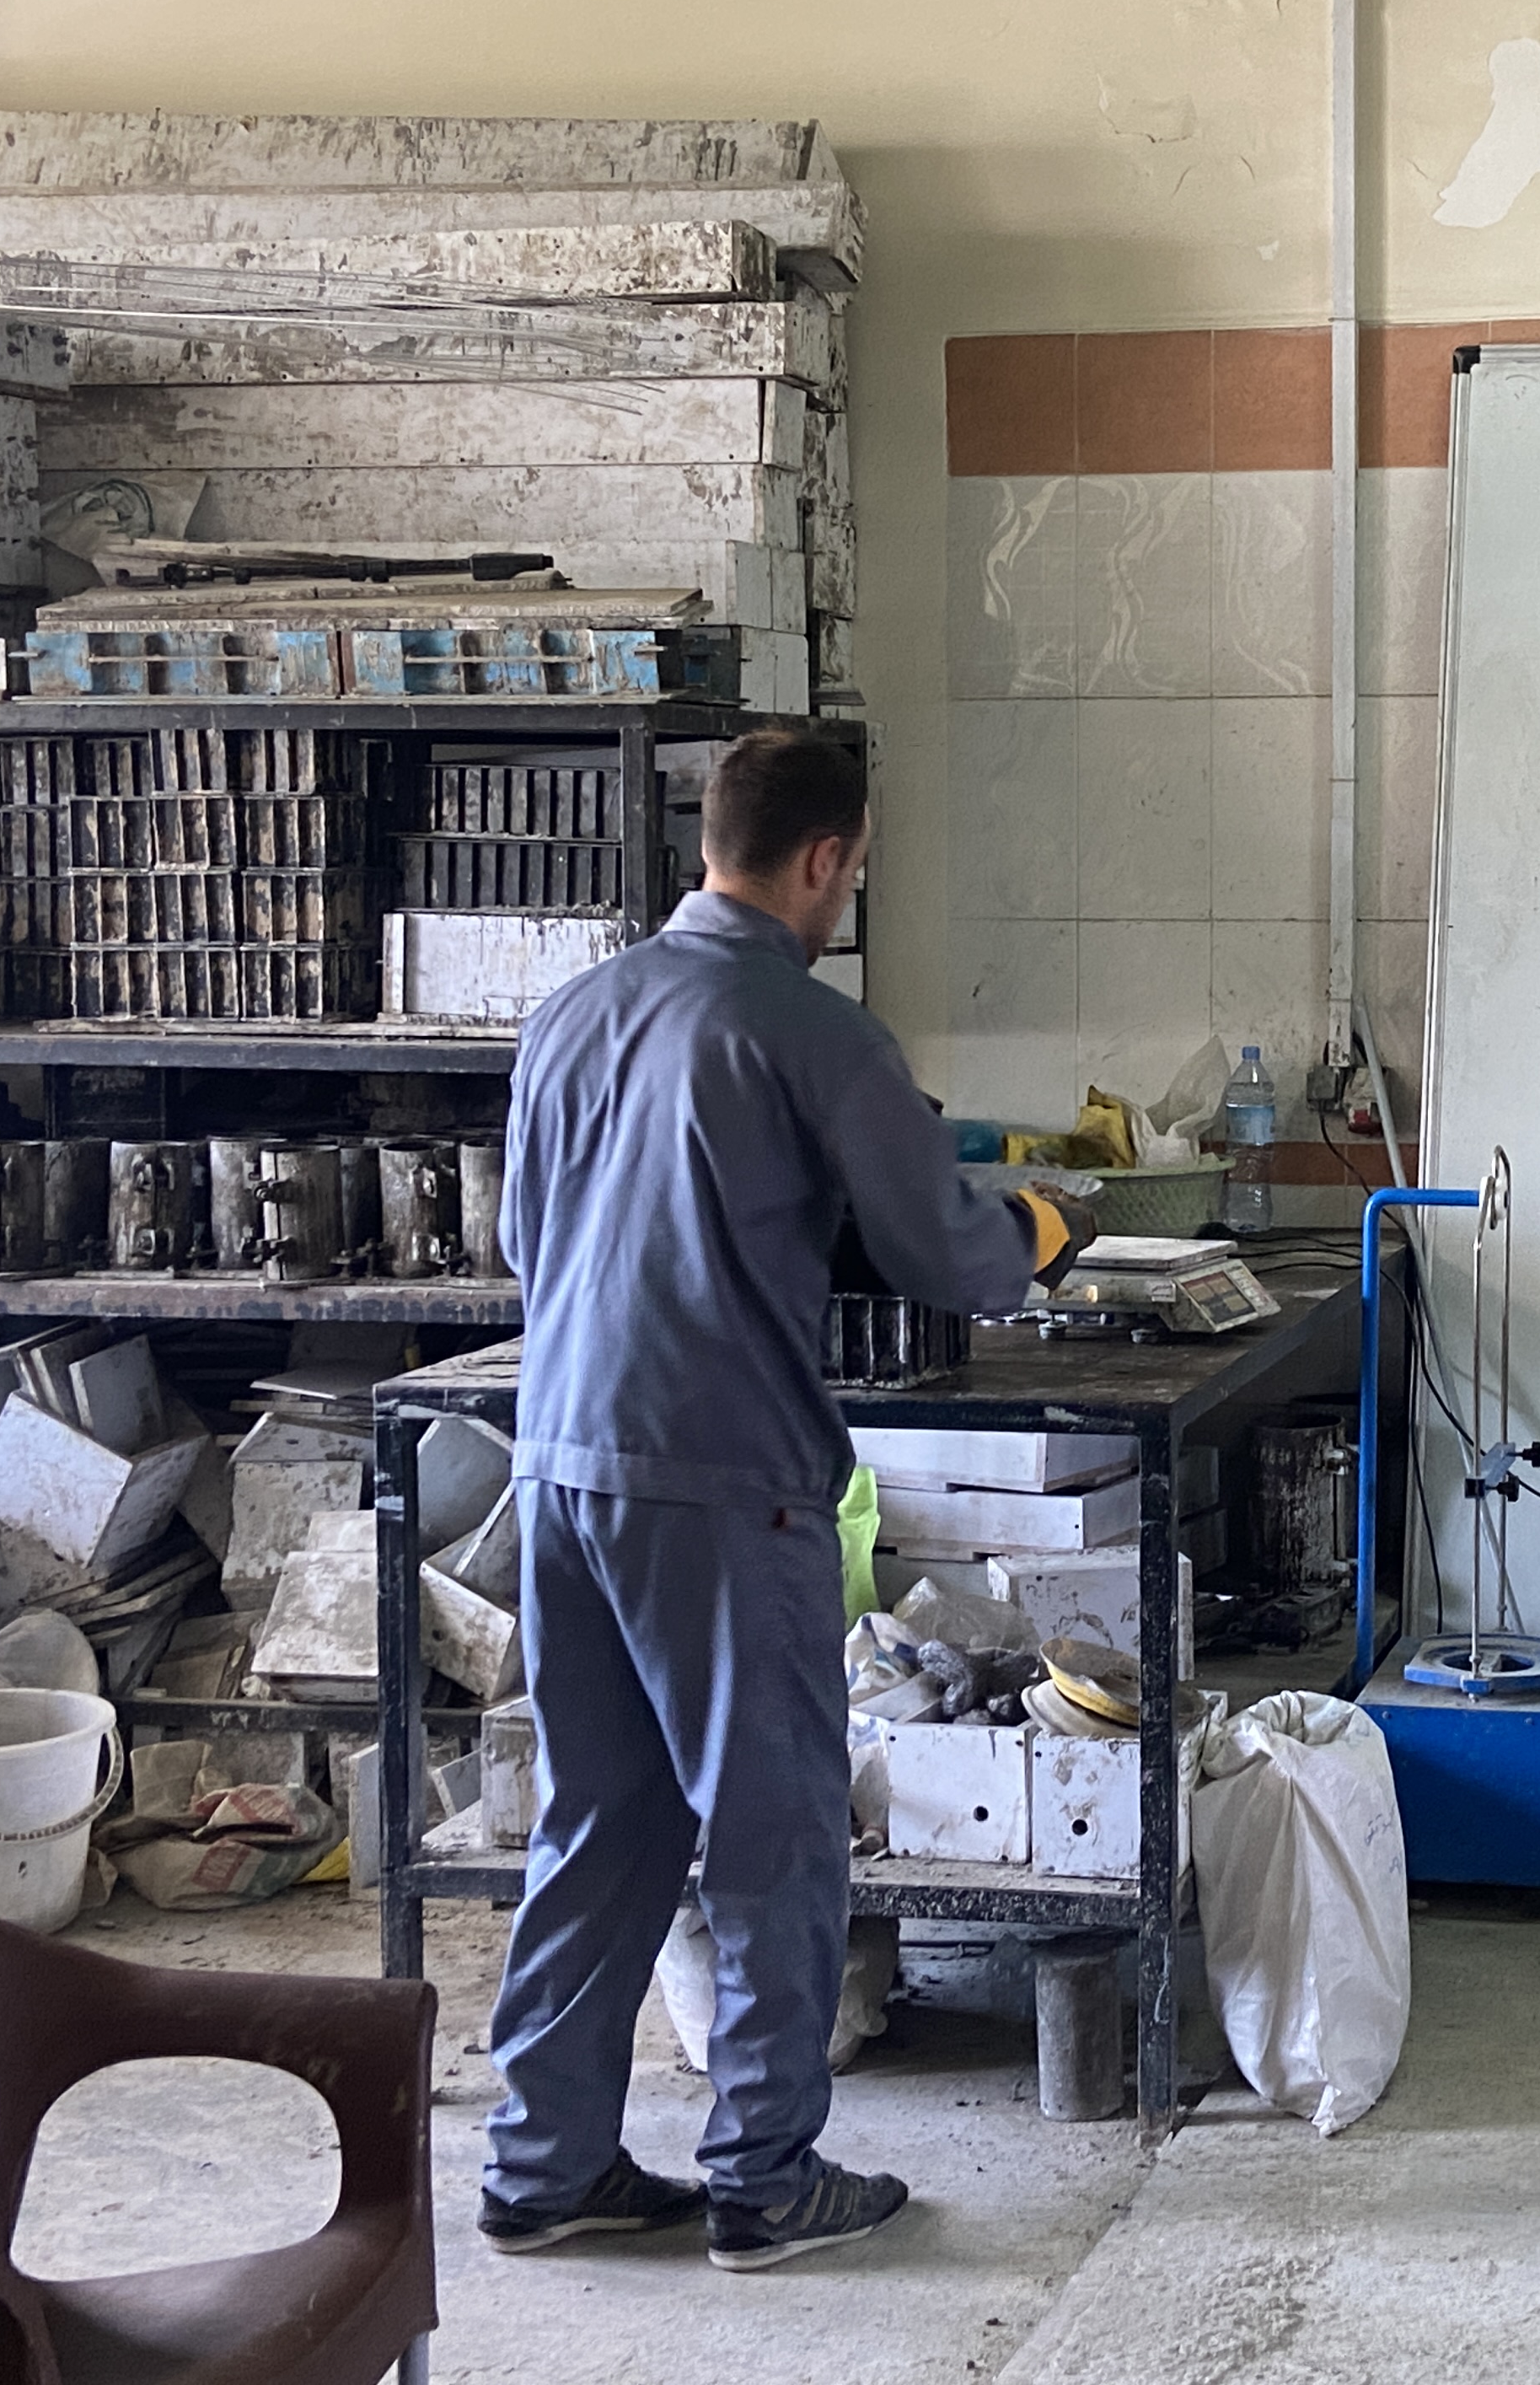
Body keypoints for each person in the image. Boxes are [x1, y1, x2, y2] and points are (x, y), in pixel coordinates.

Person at [477, 728, 1090, 2273]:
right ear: (825, 857)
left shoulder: (572, 1016)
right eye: (854, 868)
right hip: (721, 1483)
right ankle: (761, 2175)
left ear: (714, 841)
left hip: (561, 1465)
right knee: (778, 1834)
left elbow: (523, 1242)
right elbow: (945, 1255)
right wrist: (1038, 1227)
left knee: (601, 1820)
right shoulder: (816, 1034)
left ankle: (543, 2167)